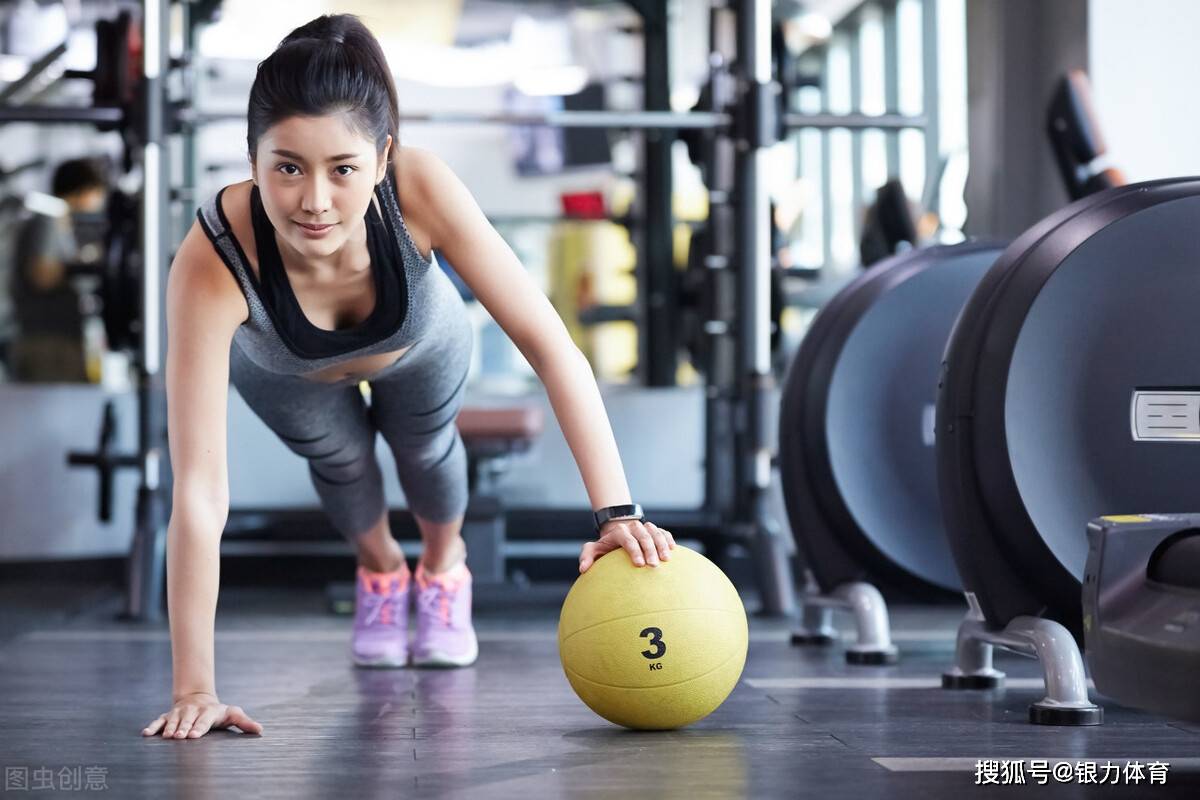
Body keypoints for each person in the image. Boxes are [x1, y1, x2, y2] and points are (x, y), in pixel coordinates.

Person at [142, 14, 676, 741]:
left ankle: (442, 566)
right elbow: (200, 492)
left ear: (383, 156)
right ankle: (383, 573)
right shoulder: (213, 258)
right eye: (287, 167)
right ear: (252, 157)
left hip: (418, 344)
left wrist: (617, 516)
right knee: (339, 461)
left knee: (424, 449)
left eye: (344, 168)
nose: (315, 201)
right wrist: (194, 687)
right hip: (284, 369)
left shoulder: (420, 187)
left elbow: (555, 350)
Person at [7, 158, 107, 382]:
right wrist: (87, 264)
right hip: (49, 346)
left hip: (53, 340)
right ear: (83, 190)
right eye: (97, 193)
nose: (99, 201)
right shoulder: (49, 219)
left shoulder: (55, 220)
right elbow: (42, 275)